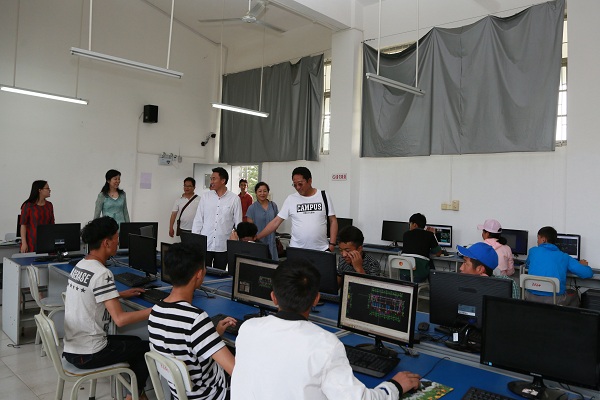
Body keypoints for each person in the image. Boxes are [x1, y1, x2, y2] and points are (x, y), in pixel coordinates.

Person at [231, 259, 421, 400]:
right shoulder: (325, 345)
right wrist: (396, 386)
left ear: (273, 297)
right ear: (316, 299)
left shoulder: (248, 328)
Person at [62, 217, 150, 400]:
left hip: (72, 348)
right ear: (106, 242)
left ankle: (135, 392)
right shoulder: (102, 273)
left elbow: (91, 295)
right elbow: (120, 320)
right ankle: (133, 396)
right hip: (90, 353)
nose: (118, 242)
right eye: (116, 238)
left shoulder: (81, 265)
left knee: (134, 341)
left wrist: (119, 294)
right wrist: (157, 310)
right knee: (145, 348)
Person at [148, 243, 235, 400]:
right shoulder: (196, 319)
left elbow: (183, 345)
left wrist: (213, 334)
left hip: (180, 394)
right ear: (199, 274)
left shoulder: (155, 311)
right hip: (212, 395)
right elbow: (235, 371)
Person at [255, 167, 338, 252]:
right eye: (295, 185)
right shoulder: (291, 199)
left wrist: (332, 244)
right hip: (297, 250)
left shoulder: (323, 196)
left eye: (300, 184)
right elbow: (276, 222)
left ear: (310, 181)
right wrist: (257, 237)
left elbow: (333, 220)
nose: (297, 187)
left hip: (321, 249)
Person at [524, 226, 593, 306]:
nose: (537, 241)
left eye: (538, 238)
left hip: (530, 297)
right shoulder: (564, 256)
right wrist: (584, 265)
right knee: (574, 293)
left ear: (543, 239)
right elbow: (588, 273)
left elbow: (527, 265)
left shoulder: (533, 251)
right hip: (554, 300)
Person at [192, 167, 242, 270]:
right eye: (211, 179)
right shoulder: (205, 197)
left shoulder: (234, 199)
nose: (211, 181)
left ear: (223, 181)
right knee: (202, 273)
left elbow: (238, 223)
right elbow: (198, 220)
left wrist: (235, 244)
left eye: (214, 179)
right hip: (205, 244)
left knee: (220, 274)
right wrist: (195, 240)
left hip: (223, 245)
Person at [401, 213, 441, 283]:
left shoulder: (406, 234)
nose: (409, 226)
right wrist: (433, 235)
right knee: (430, 263)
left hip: (404, 274)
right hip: (418, 275)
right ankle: (434, 286)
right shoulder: (429, 235)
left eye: (410, 224)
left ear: (414, 224)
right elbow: (438, 253)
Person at [245, 181, 279, 260]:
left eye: (265, 191)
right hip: (258, 243)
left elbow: (277, 222)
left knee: (273, 264)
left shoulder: (273, 206)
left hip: (272, 242)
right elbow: (250, 230)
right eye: (260, 191)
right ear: (256, 193)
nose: (262, 193)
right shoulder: (252, 208)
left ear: (268, 192)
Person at [20, 180, 55, 253]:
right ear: (40, 190)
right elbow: (23, 225)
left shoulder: (49, 205)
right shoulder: (28, 206)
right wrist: (24, 243)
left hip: (46, 241)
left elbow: (52, 224)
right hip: (32, 241)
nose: (49, 190)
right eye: (47, 188)